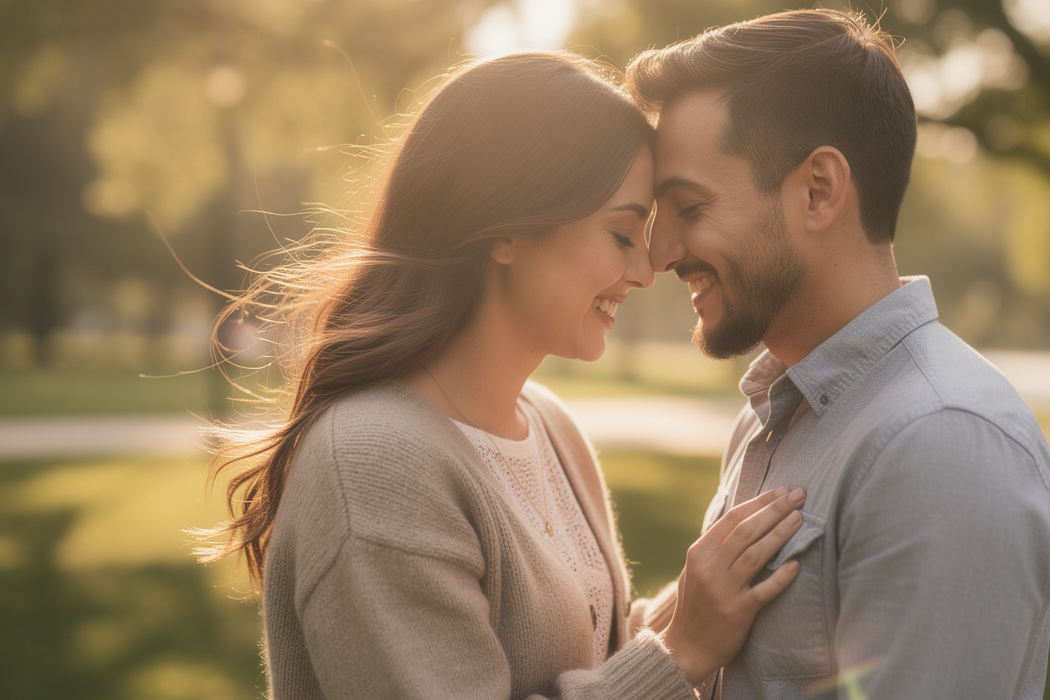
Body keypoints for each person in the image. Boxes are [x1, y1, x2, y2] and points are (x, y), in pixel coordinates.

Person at [197, 51, 807, 700]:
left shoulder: (548, 425)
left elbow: (589, 652)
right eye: (622, 233)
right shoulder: (375, 465)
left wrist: (698, 606)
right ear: (506, 230)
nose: (646, 268)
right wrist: (679, 651)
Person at [625, 9, 1050, 699]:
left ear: (819, 191)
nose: (660, 254)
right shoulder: (772, 413)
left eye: (689, 207)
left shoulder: (940, 440)